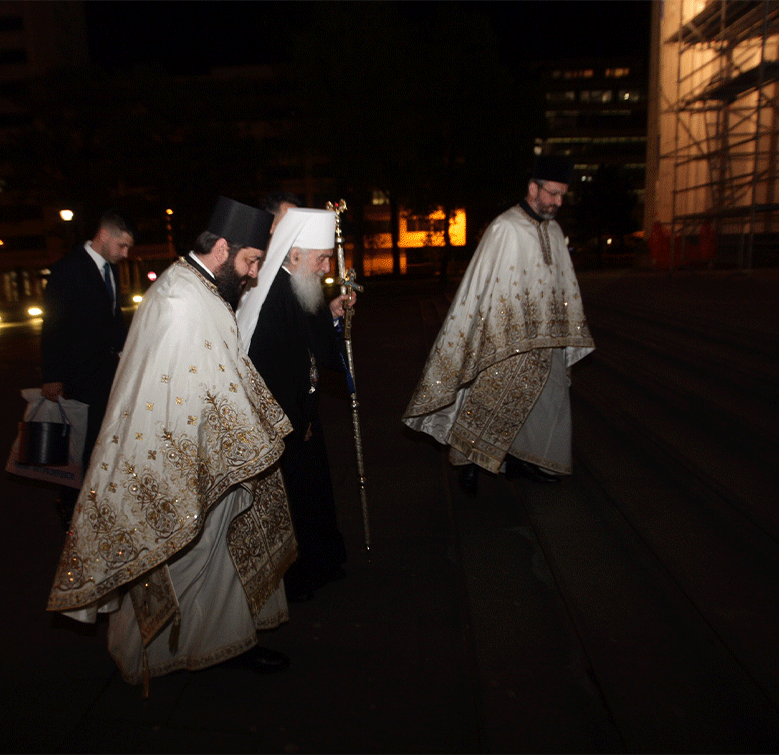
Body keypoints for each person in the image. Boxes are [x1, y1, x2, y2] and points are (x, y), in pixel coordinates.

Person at [47, 197, 296, 686]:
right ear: (223, 248)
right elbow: (186, 393)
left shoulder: (195, 285)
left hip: (209, 454)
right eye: (249, 262)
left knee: (216, 560)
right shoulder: (182, 300)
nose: (250, 275)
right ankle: (150, 657)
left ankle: (227, 643)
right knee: (179, 565)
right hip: (181, 460)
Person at [402, 155, 595, 497]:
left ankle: (524, 461)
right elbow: (481, 287)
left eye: (562, 195)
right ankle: (470, 465)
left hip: (546, 337)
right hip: (505, 337)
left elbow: (563, 283)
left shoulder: (553, 229)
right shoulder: (505, 227)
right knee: (488, 402)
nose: (557, 202)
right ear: (532, 187)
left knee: (544, 401)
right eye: (551, 193)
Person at [238, 207, 354, 602]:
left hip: (303, 414)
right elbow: (272, 370)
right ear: (293, 255)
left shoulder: (301, 284)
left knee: (316, 492)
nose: (326, 267)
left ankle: (324, 560)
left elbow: (313, 343)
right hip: (285, 419)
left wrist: (334, 314)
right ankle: (302, 574)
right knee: (296, 501)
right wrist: (295, 419)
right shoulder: (272, 296)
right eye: (321, 258)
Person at [41, 210, 133, 529]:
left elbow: (113, 315)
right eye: (121, 246)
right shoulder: (67, 270)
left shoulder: (110, 269)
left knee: (100, 439)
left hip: (106, 372)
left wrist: (125, 351)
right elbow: (51, 323)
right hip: (77, 375)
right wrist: (51, 375)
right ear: (104, 236)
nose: (125, 254)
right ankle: (70, 507)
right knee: (76, 444)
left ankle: (96, 500)